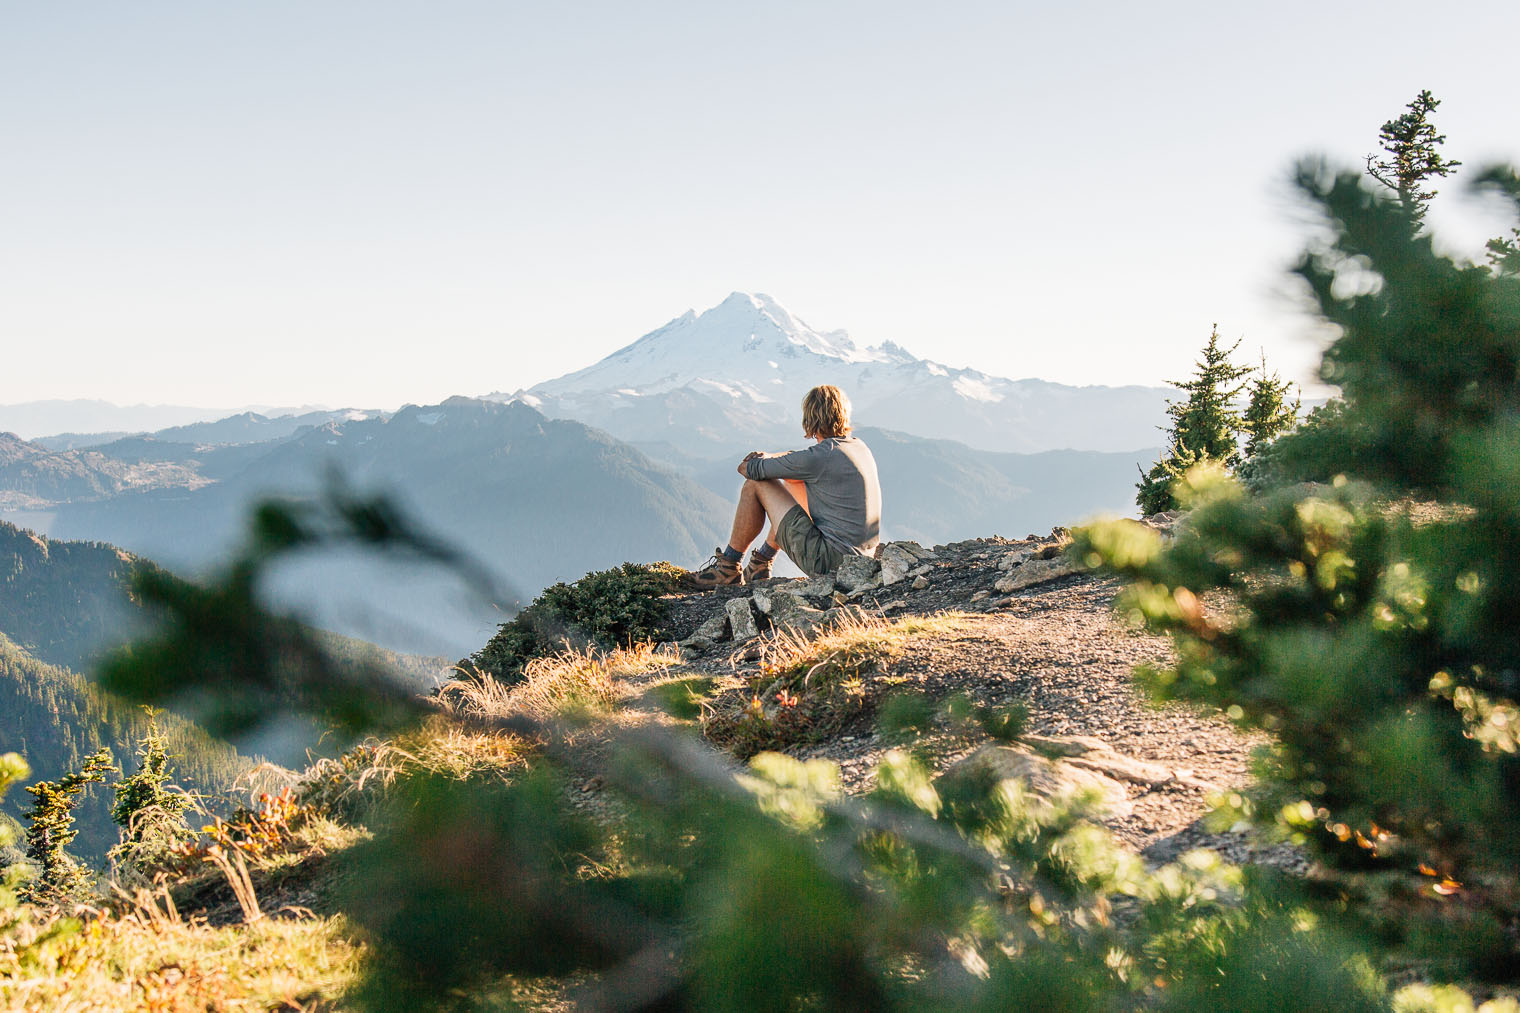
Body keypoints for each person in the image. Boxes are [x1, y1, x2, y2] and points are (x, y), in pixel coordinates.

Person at [684, 384, 881, 589]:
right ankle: (760, 563)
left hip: (828, 561)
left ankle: (728, 567)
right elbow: (798, 461)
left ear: (810, 418)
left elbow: (748, 470)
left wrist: (758, 460)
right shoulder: (858, 447)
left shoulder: (820, 458)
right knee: (794, 481)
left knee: (754, 485)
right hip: (859, 561)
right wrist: (771, 456)